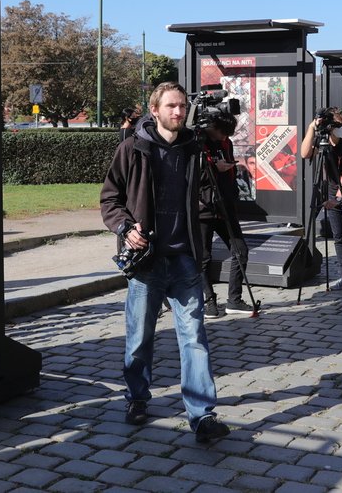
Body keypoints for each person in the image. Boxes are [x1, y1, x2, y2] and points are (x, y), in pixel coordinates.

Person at [100, 81, 231, 443]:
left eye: (183, 106)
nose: (179, 112)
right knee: (140, 338)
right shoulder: (132, 149)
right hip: (148, 262)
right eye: (171, 106)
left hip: (186, 259)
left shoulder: (194, 149)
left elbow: (208, 197)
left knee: (195, 339)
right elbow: (110, 199)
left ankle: (202, 415)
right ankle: (137, 398)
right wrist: (127, 228)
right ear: (154, 110)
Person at [300, 107, 342, 295]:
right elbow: (305, 154)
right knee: (339, 236)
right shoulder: (322, 140)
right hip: (331, 190)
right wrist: (312, 127)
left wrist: (338, 199)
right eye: (338, 125)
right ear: (329, 127)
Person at [197, 112, 252, 318]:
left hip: (225, 205)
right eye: (221, 133)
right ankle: (209, 301)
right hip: (202, 208)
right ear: (212, 126)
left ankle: (234, 300)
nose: (223, 137)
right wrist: (213, 167)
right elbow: (189, 174)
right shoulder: (197, 141)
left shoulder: (225, 142)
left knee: (240, 251)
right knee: (203, 258)